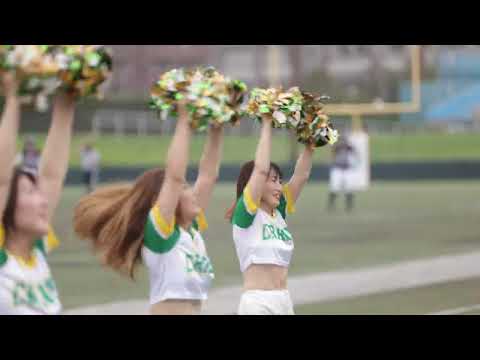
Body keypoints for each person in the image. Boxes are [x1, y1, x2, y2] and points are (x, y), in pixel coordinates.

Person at [73, 103, 223, 315]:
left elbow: (208, 175)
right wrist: (184, 121)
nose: (193, 193)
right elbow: (174, 176)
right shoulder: (162, 236)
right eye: (185, 188)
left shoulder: (190, 232)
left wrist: (217, 129)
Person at [0, 72, 77, 315]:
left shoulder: (37, 253)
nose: (43, 201)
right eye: (29, 192)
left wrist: (67, 100)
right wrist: (13, 100)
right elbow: (2, 178)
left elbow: (52, 175)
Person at [226, 114, 315, 315]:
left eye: (279, 180)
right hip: (258, 303)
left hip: (284, 300)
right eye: (273, 180)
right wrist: (266, 122)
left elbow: (302, 176)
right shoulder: (246, 213)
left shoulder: (278, 214)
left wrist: (311, 142)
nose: (279, 186)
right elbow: (260, 169)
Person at [327, 136, 359, 213]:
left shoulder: (349, 147)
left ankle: (349, 206)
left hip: (347, 169)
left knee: (349, 188)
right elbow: (332, 155)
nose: (343, 142)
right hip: (338, 169)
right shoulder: (337, 147)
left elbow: (356, 155)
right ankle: (331, 205)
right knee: (334, 187)